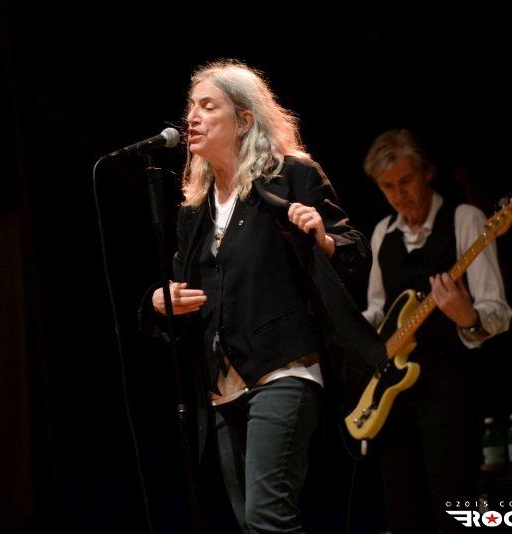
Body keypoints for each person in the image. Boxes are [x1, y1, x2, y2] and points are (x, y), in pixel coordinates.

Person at [145, 60, 381, 533]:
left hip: (283, 367)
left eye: (208, 106)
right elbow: (185, 292)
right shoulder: (195, 211)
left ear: (244, 119)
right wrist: (159, 302)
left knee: (267, 518)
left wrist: (323, 239)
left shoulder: (289, 176)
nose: (192, 117)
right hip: (222, 386)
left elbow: (355, 254)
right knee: (253, 526)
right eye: (192, 106)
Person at [361, 129, 512, 532]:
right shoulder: (382, 233)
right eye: (388, 186)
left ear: (427, 173)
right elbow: (377, 310)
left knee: (453, 505)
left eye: (406, 181)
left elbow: (497, 311)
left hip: (449, 382)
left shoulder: (466, 220)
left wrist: (468, 318)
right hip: (393, 391)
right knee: (401, 509)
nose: (399, 194)